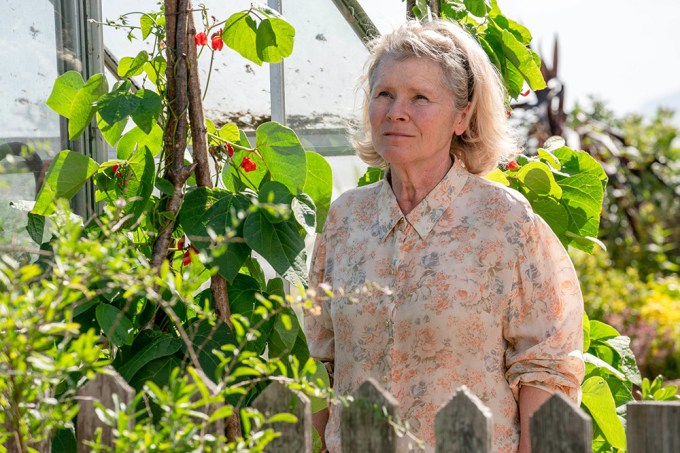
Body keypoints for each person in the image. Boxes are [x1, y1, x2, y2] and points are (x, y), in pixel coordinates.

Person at [304, 19, 584, 453]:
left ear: (463, 116)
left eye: (420, 97)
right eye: (385, 94)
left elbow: (546, 369)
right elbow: (322, 360)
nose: (397, 111)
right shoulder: (345, 219)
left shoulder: (505, 222)